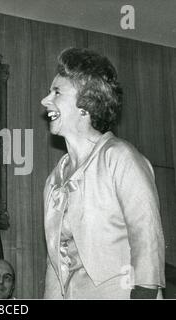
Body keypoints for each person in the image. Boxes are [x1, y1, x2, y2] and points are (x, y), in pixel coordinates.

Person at [41, 47, 165, 299]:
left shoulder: (119, 157)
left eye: (57, 92)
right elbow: (54, 265)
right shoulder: (54, 180)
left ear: (85, 105)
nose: (45, 100)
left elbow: (147, 236)